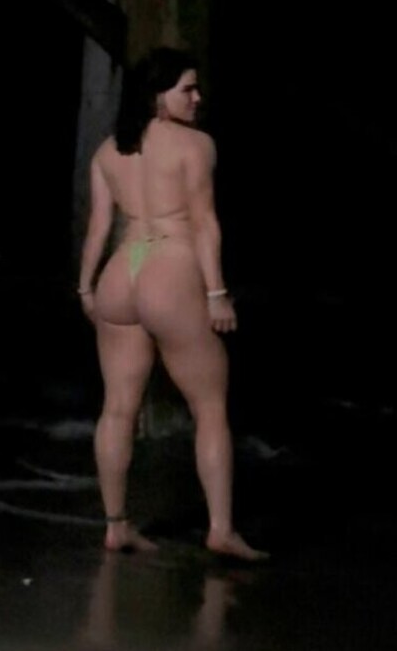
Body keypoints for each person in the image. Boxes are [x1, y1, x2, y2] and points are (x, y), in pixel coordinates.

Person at [77, 46, 263, 560]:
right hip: (170, 267)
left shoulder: (109, 151)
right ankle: (220, 529)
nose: (197, 98)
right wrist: (217, 293)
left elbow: (99, 227)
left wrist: (86, 287)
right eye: (187, 89)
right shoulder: (195, 145)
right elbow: (204, 222)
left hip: (122, 270)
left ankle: (116, 525)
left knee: (117, 408)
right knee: (210, 406)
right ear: (158, 95)